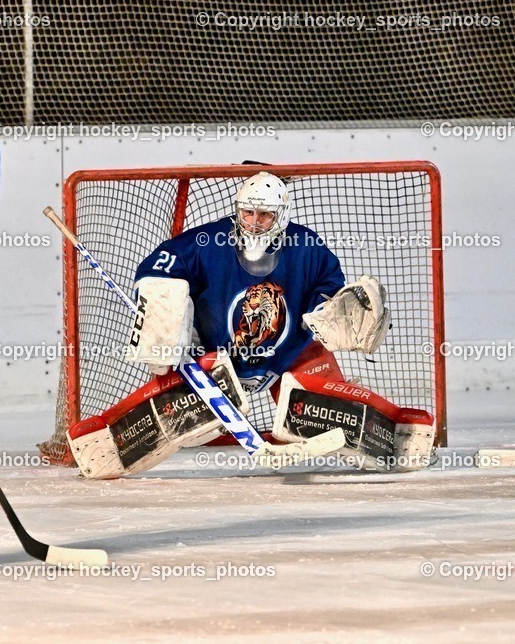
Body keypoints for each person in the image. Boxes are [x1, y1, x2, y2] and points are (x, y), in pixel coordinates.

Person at [63, 172, 434, 478]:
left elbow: (329, 286)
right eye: (248, 213)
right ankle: (106, 440)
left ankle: (398, 431)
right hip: (216, 356)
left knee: (321, 404)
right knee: (183, 404)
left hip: (290, 356)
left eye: (264, 215)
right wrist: (166, 322)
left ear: (281, 215)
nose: (254, 222)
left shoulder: (306, 246)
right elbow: (154, 270)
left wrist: (327, 309)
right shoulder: (207, 242)